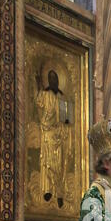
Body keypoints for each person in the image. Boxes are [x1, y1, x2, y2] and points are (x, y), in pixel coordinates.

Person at [35, 70, 71, 209]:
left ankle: (59, 193)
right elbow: (38, 104)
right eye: (51, 79)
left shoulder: (63, 97)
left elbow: (67, 119)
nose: (53, 81)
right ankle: (47, 190)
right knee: (47, 162)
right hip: (48, 133)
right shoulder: (44, 94)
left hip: (59, 135)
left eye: (55, 78)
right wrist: (38, 87)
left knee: (59, 165)